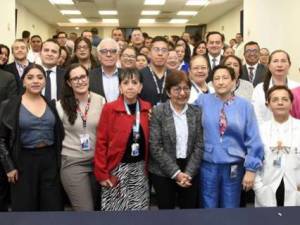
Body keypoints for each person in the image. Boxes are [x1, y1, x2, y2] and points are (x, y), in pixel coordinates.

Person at [194, 65, 264, 208]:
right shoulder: (202, 101)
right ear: (212, 83)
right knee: (208, 205)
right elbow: (186, 116)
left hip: (234, 165)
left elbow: (253, 138)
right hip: (208, 163)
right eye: (216, 78)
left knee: (231, 206)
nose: (220, 82)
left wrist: (251, 169)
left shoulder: (245, 106)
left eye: (225, 78)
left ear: (234, 81)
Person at [0, 63, 64, 211]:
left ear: (44, 82)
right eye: (30, 77)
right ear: (23, 81)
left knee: (52, 206)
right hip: (22, 161)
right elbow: (1, 139)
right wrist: (9, 166)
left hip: (49, 160)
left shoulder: (51, 104)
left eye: (40, 77)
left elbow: (59, 133)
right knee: (25, 207)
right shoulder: (9, 105)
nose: (35, 81)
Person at [94, 68, 151, 210]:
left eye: (134, 82)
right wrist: (102, 173)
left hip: (139, 169)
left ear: (140, 87)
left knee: (139, 212)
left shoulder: (147, 108)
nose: (130, 86)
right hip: (116, 169)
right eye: (125, 83)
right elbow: (101, 142)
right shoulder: (109, 109)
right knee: (115, 214)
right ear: (120, 87)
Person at [149, 70, 203, 209]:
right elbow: (155, 146)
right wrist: (176, 173)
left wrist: (188, 173)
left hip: (190, 169)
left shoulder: (196, 112)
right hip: (163, 171)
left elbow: (199, 145)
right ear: (168, 92)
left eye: (186, 88)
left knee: (189, 212)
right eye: (177, 89)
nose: (182, 93)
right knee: (166, 213)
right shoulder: (158, 112)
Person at [57, 63, 105, 211]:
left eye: (83, 76)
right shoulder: (60, 105)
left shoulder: (100, 100)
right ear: (69, 83)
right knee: (85, 210)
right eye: (75, 78)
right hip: (73, 163)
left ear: (88, 78)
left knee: (99, 208)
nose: (80, 81)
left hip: (97, 162)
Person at [254, 86, 300, 207]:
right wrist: (259, 187)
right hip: (267, 188)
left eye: (285, 99)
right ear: (268, 105)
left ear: (291, 104)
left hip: (296, 188)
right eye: (275, 100)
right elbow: (253, 159)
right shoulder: (260, 130)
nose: (280, 102)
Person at [252, 50, 300, 124]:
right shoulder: (259, 89)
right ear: (269, 66)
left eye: (283, 61)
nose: (279, 65)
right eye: (275, 61)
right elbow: (256, 117)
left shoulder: (297, 87)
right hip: (265, 133)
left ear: (289, 65)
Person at [140, 36, 172, 106]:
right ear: (149, 53)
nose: (160, 53)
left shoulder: (174, 76)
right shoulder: (139, 75)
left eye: (164, 50)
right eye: (156, 49)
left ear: (168, 54)